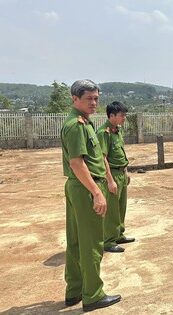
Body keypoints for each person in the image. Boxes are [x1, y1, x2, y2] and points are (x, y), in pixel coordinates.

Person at [61, 79, 121, 311]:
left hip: (78, 187)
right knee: (92, 244)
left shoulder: (82, 122)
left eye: (96, 98)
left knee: (76, 242)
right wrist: (97, 192)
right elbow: (77, 163)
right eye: (89, 98)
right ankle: (93, 294)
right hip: (86, 187)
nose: (94, 103)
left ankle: (74, 289)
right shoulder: (76, 125)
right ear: (74, 99)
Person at [97, 101, 135, 253]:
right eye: (122, 115)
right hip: (111, 174)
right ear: (111, 115)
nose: (124, 118)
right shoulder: (103, 133)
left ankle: (119, 234)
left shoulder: (117, 131)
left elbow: (121, 154)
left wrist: (126, 173)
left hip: (121, 173)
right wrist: (110, 180)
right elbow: (103, 157)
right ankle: (108, 241)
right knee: (112, 210)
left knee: (121, 207)